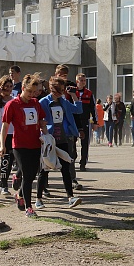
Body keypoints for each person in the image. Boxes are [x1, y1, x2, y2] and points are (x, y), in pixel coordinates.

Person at [0, 74, 48, 218]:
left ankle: (19, 195)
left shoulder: (35, 103)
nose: (32, 95)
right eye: (29, 91)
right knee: (27, 174)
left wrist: (47, 137)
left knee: (32, 175)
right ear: (22, 89)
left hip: (35, 143)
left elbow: (41, 121)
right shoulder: (12, 105)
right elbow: (5, 125)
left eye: (34, 92)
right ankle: (29, 207)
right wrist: (2, 145)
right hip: (19, 145)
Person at [39, 76, 83, 208]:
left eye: (62, 90)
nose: (61, 93)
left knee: (66, 168)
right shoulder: (43, 102)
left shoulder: (63, 101)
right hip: (49, 139)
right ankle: (38, 198)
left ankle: (70, 197)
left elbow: (78, 109)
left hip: (63, 138)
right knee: (45, 169)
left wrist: (74, 95)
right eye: (58, 90)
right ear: (51, 89)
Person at [72, 73, 98, 171]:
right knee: (72, 142)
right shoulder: (72, 92)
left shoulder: (89, 93)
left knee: (85, 143)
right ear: (77, 81)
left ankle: (83, 163)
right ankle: (73, 158)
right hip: (74, 121)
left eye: (84, 80)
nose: (83, 82)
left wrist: (95, 122)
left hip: (85, 121)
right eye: (81, 80)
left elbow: (93, 109)